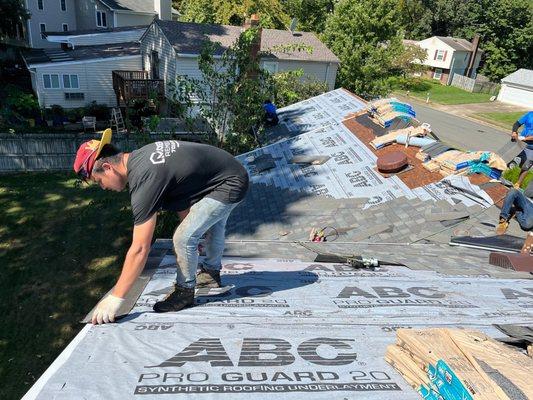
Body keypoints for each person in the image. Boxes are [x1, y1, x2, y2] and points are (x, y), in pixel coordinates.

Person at [73, 129, 249, 324]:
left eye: (99, 182)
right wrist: (190, 225)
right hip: (225, 174)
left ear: (107, 167)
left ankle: (184, 292)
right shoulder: (140, 158)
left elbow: (140, 248)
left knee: (183, 238)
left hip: (229, 182)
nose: (103, 187)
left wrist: (116, 297)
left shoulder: (145, 178)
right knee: (209, 228)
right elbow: (182, 193)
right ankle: (210, 273)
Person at [510, 111, 533, 188]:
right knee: (507, 158)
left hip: (531, 147)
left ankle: (517, 185)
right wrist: (514, 132)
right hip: (520, 143)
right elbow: (516, 124)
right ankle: (497, 174)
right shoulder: (530, 114)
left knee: (525, 166)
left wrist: (524, 138)